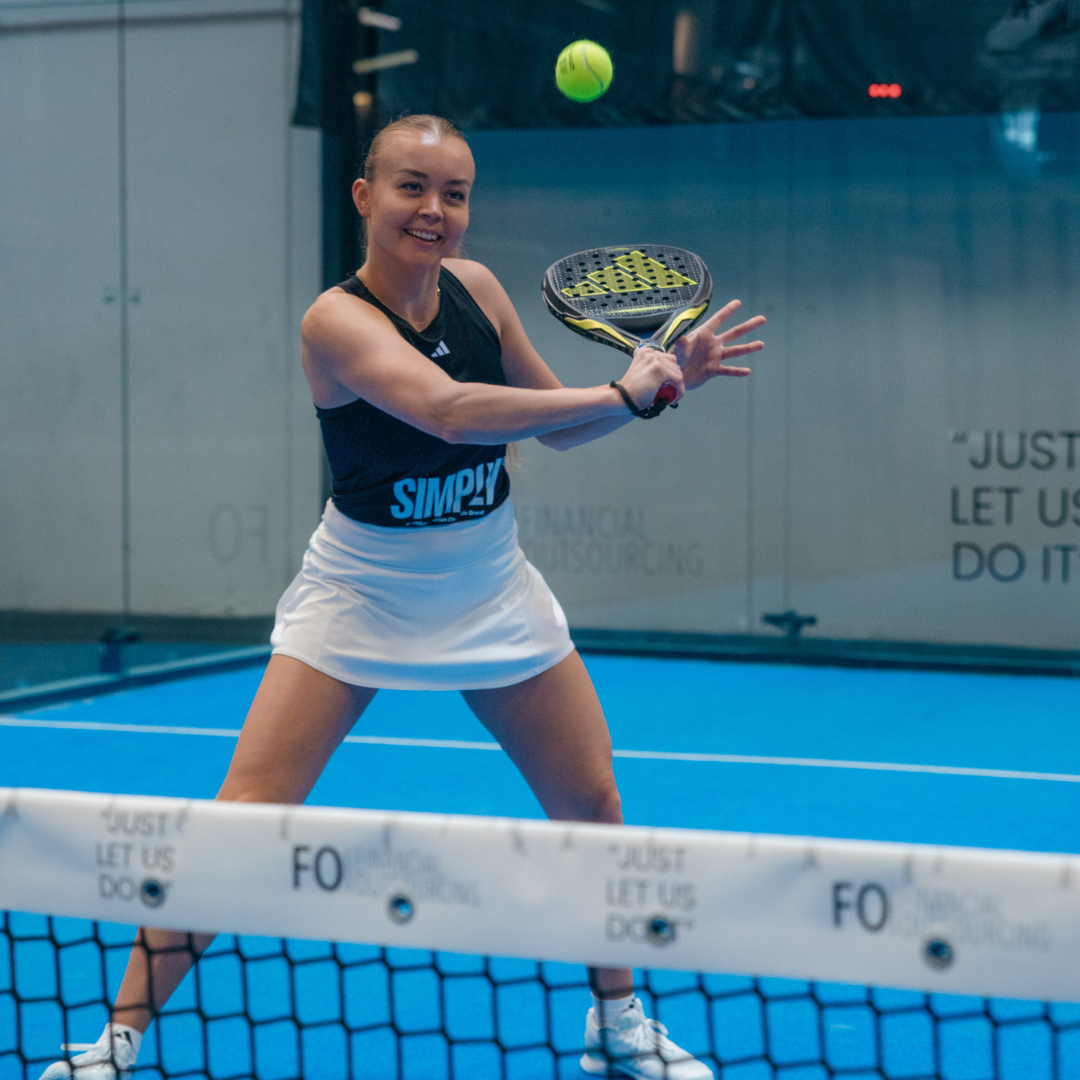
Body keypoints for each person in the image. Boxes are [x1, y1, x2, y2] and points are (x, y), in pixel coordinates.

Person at [42, 114, 765, 1080]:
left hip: (490, 585)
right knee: (240, 820)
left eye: (453, 194)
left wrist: (662, 392)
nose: (434, 210)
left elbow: (555, 430)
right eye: (411, 187)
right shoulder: (334, 321)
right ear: (365, 196)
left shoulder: (479, 290)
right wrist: (619, 393)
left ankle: (619, 1021)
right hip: (359, 592)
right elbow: (448, 411)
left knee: (593, 802)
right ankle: (113, 1046)